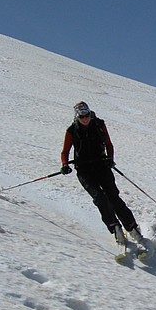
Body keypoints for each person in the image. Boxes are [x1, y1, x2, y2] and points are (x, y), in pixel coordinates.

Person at [60, 101, 143, 246]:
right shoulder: (71, 131)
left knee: (113, 197)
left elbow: (109, 144)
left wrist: (110, 159)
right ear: (76, 117)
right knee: (99, 198)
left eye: (86, 115)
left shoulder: (99, 125)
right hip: (84, 170)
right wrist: (65, 165)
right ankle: (115, 227)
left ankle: (132, 228)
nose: (85, 119)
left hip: (101, 166)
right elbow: (65, 151)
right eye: (81, 116)